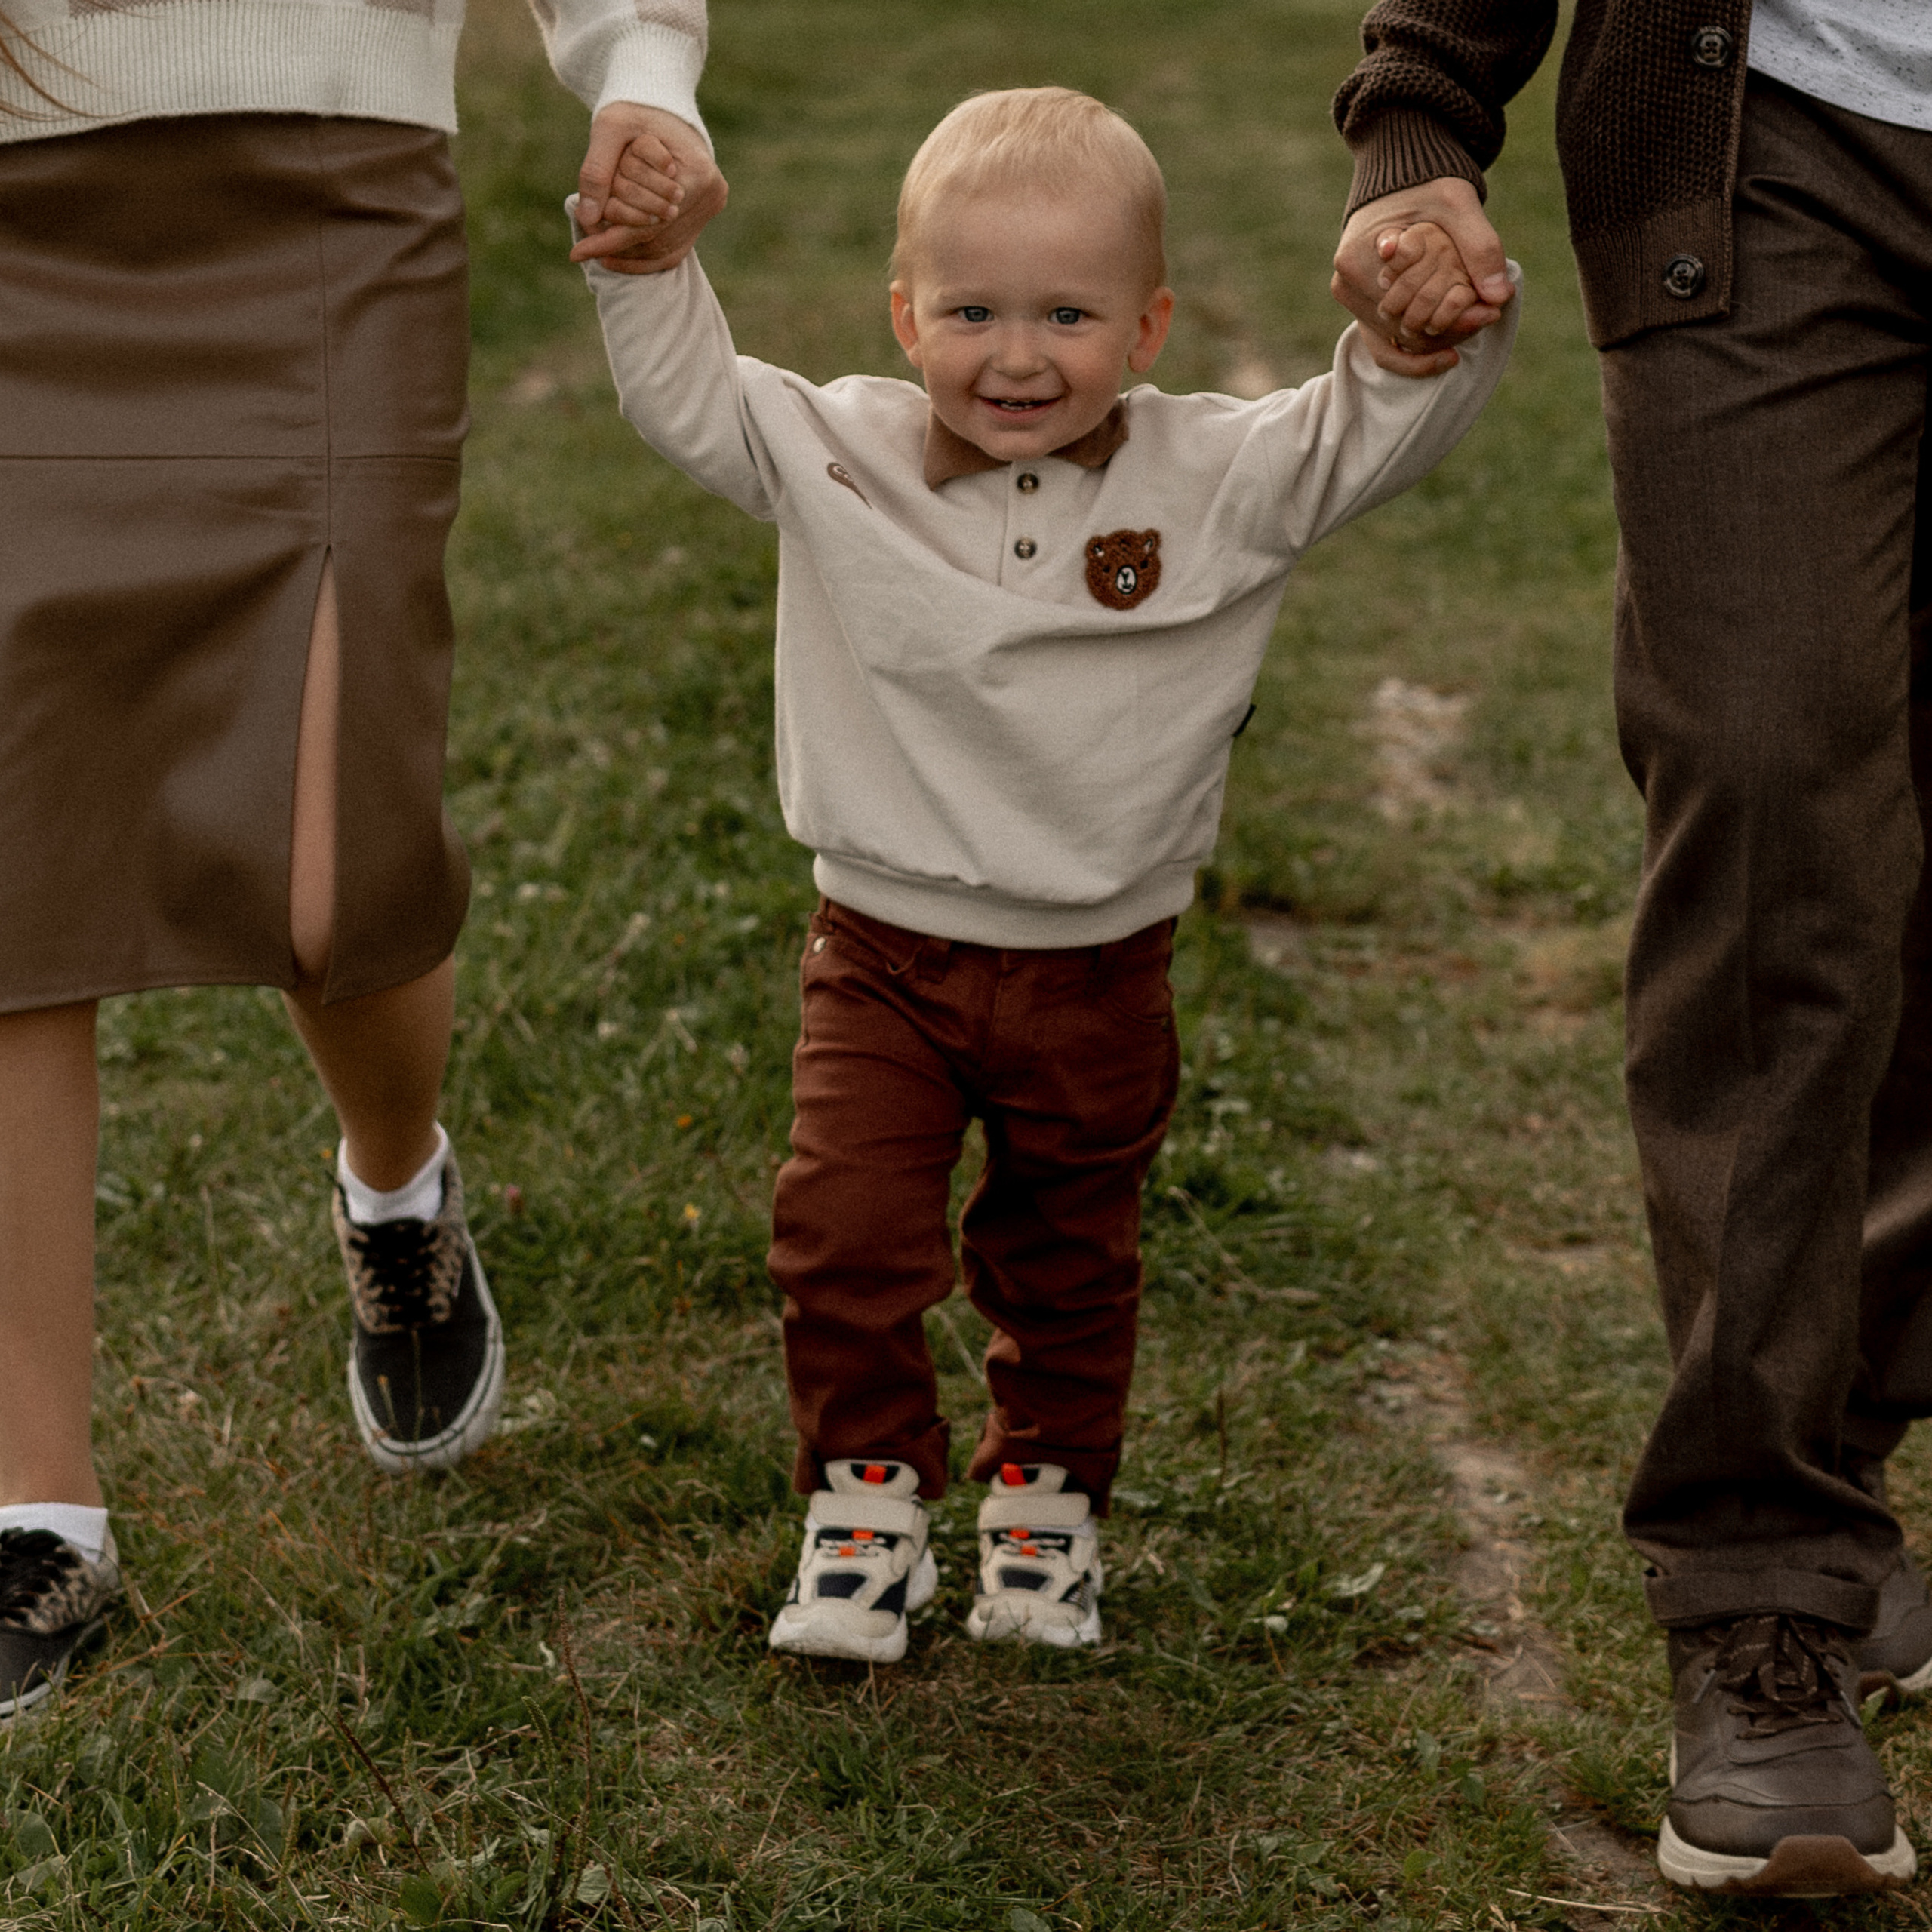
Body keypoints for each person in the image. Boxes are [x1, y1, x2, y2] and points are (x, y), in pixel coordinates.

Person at [575, 84, 1516, 1662]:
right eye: (973, 313)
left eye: (1069, 316)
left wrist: (1424, 331)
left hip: (1100, 966)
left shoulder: (1216, 477)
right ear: (904, 314)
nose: (1017, 357)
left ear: (1149, 327)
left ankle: (1045, 1508)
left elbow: (1367, 427)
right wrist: (647, 261)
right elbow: (686, 397)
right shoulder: (839, 451)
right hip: (883, 952)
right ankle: (865, 1506)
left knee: (1066, 1259)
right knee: (844, 1235)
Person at [0, 0, 721, 1718]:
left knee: (336, 881)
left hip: (336, 196)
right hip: (26, 203)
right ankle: (39, 1502)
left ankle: (396, 1188)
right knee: (16, 861)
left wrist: (640, 71)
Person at [1329, 0, 1932, 1900]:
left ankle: (1840, 1431)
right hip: (1772, 137)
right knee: (1768, 799)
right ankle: (1758, 1580)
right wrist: (1421, 103)